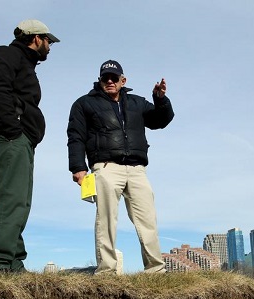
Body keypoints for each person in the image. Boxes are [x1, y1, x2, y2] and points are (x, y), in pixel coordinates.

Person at [67, 60, 174, 274]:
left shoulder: (137, 103)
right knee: (106, 219)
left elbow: (160, 120)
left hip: (137, 169)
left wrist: (160, 100)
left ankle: (155, 270)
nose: (109, 81)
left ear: (123, 80)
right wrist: (78, 167)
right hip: (105, 167)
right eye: (105, 77)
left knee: (147, 219)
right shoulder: (84, 104)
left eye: (114, 78)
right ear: (99, 80)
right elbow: (75, 136)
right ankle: (107, 270)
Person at [0, 19, 60, 273]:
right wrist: (14, 129)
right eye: (48, 41)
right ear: (36, 38)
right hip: (10, 137)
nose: (50, 46)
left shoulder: (24, 64)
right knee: (9, 198)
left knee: (20, 201)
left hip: (20, 139)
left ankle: (13, 261)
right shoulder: (4, 55)